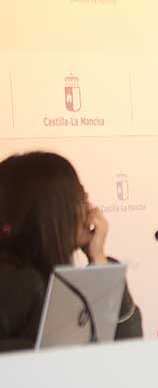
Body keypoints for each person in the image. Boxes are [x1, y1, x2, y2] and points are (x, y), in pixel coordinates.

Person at [0, 151, 142, 352]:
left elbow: (128, 348)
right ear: (51, 210)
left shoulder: (57, 278)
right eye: (79, 196)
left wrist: (99, 261)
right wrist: (48, 349)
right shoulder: (16, 280)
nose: (89, 208)